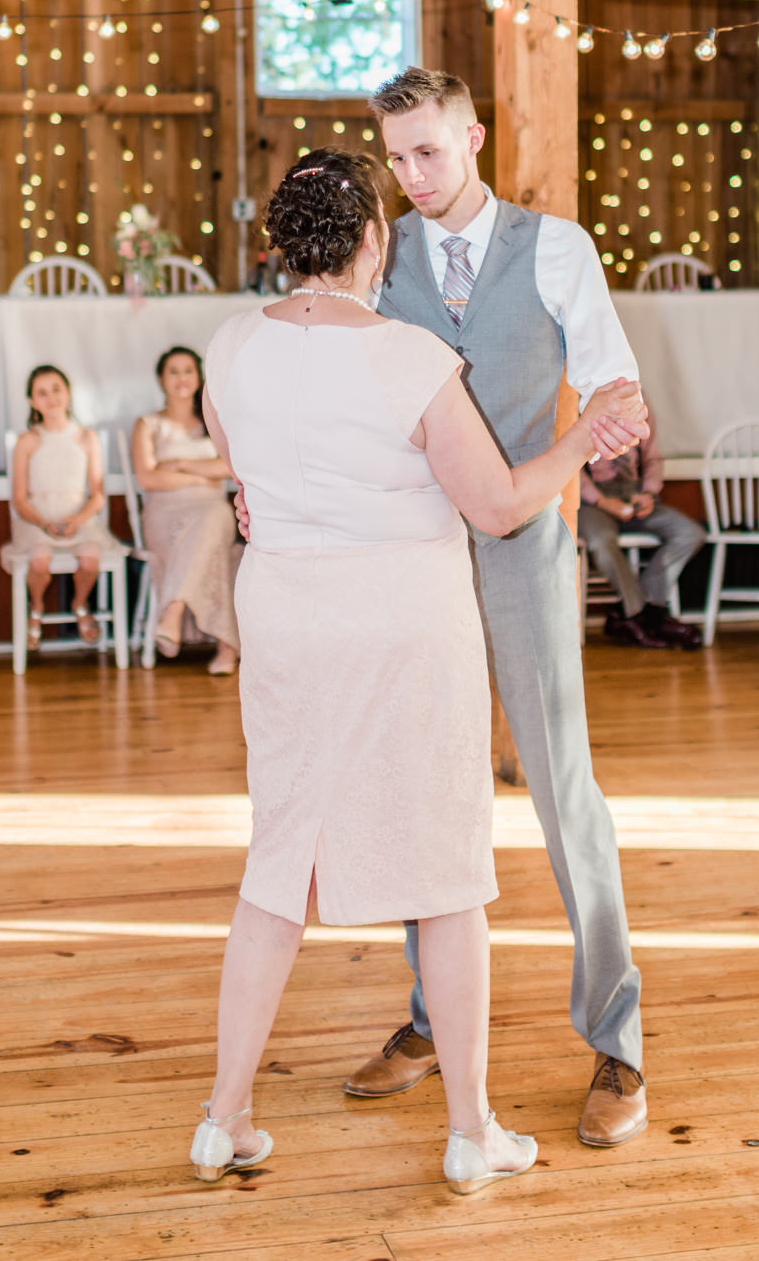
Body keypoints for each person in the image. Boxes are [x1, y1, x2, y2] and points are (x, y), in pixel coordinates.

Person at [192, 149, 647, 1194]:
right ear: (370, 244)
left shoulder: (229, 346)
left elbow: (240, 471)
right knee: (445, 873)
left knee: (277, 866)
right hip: (401, 624)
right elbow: (494, 504)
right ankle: (470, 1130)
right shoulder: (406, 359)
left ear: (282, 247)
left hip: (288, 619)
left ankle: (225, 1118)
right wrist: (583, 435)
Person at [349, 64, 651, 1153]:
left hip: (524, 545)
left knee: (564, 792)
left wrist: (613, 414)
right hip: (419, 556)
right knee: (422, 785)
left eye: (427, 151)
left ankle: (618, 1041)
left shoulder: (556, 248)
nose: (411, 176)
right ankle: (429, 1019)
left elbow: (614, 384)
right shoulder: (381, 260)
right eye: (394, 157)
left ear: (474, 135)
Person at [131, 346, 240, 676]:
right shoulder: (148, 424)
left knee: (219, 521)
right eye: (173, 371)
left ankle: (173, 612)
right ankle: (227, 647)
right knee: (221, 540)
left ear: (199, 377)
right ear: (161, 380)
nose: (181, 378)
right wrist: (203, 472)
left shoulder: (214, 420)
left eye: (188, 370)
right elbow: (148, 477)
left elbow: (231, 468)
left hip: (210, 510)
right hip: (166, 516)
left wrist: (179, 464)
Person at [1, 365, 125, 654]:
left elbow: (97, 496)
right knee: (40, 558)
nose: (51, 398)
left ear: (68, 393)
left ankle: (79, 603)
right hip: (36, 518)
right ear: (32, 401)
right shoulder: (27, 441)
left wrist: (78, 520)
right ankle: (37, 606)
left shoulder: (86, 438)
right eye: (41, 393)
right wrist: (43, 523)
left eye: (56, 389)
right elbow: (19, 499)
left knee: (90, 558)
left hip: (78, 516)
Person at [578, 416, 704, 649]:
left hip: (633, 495)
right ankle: (636, 613)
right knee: (601, 540)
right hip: (592, 502)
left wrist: (648, 494)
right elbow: (572, 465)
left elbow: (653, 458)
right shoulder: (575, 400)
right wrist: (602, 501)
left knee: (689, 532)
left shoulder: (637, 399)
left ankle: (645, 609)